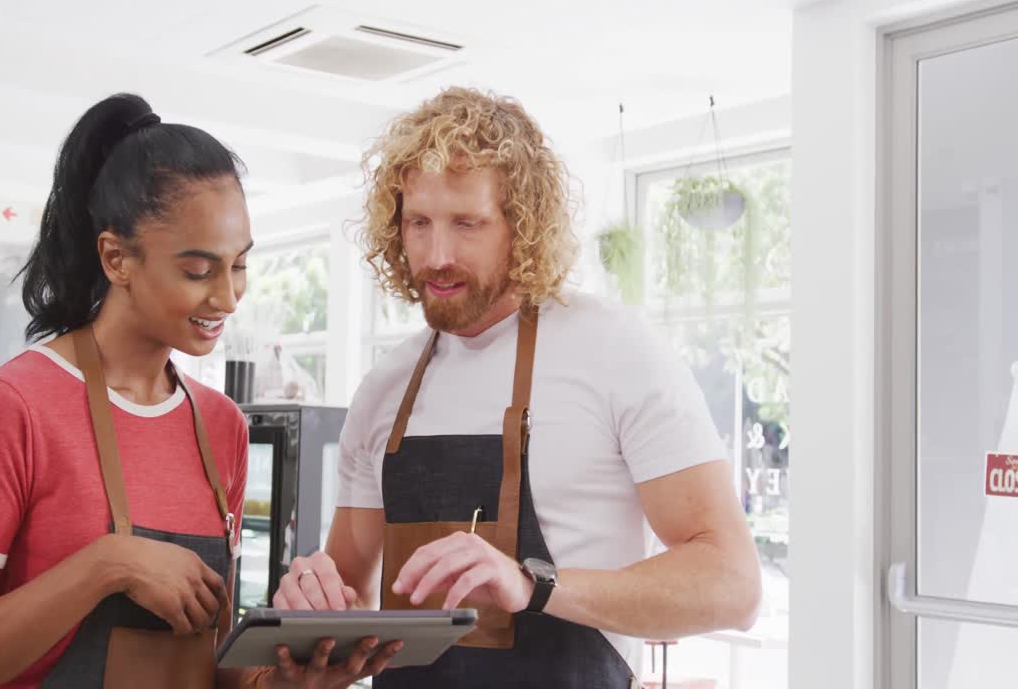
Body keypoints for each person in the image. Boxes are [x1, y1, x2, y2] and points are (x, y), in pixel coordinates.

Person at [0, 93, 397, 688]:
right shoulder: (15, 407)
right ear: (116, 258)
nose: (228, 297)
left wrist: (285, 681)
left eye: (238, 264)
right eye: (197, 270)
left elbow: (208, 660)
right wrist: (107, 564)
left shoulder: (221, 426)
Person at [272, 87, 763, 687]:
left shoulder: (614, 351)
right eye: (418, 223)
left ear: (522, 226)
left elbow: (733, 585)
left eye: (467, 224)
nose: (437, 255)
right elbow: (346, 599)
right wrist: (312, 602)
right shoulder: (386, 388)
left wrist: (533, 586)